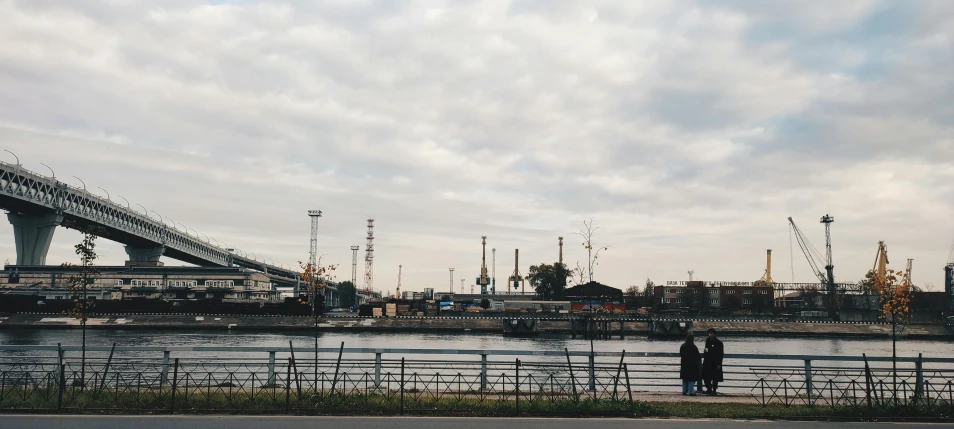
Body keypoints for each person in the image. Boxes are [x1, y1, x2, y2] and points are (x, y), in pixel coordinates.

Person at [702, 327, 724, 395]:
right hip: (707, 362)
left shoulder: (719, 343)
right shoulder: (707, 341)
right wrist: (705, 356)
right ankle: (709, 388)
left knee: (715, 377)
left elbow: (720, 354)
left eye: (711, 333)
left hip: (715, 362)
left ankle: (714, 390)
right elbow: (706, 350)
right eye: (709, 333)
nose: (710, 335)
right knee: (706, 377)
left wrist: (719, 364)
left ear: (715, 334)